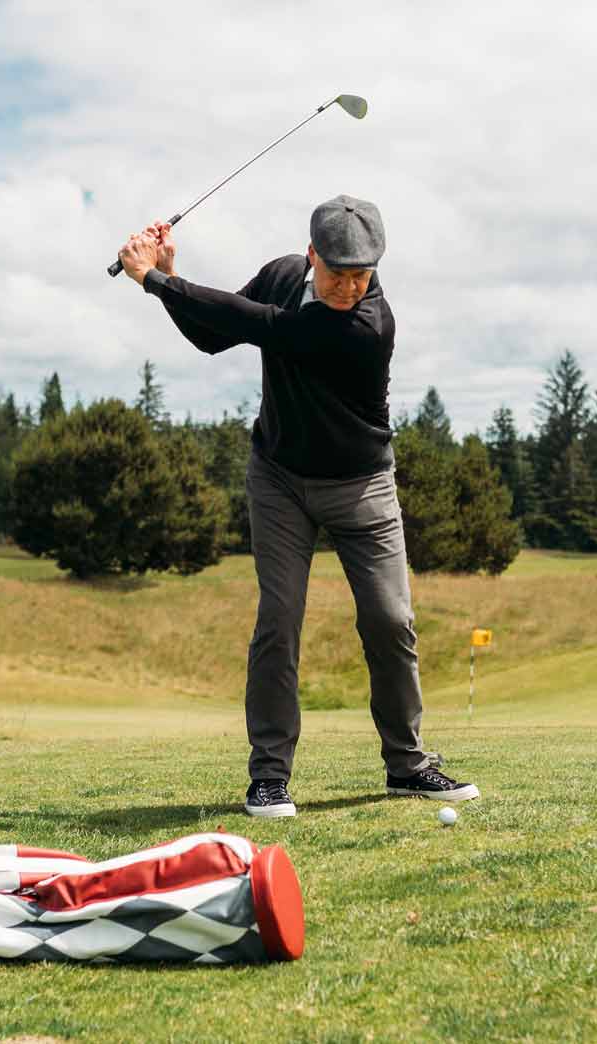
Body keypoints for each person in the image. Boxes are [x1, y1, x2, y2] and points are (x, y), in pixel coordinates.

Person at [116, 194, 480, 819]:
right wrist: (173, 279)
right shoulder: (284, 275)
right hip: (280, 479)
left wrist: (151, 279)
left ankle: (409, 764)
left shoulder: (368, 326)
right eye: (338, 273)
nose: (349, 286)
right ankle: (269, 777)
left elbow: (259, 326)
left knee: (391, 620)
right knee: (278, 621)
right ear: (312, 256)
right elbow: (215, 334)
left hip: (362, 485)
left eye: (362, 275)